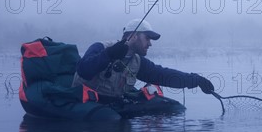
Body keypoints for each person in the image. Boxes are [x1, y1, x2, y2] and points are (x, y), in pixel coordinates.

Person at [72, 19, 214, 100]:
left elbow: (163, 75)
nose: (150, 43)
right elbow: (84, 69)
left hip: (112, 105)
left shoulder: (137, 61)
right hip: (86, 104)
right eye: (147, 38)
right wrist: (109, 54)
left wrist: (196, 80)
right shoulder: (100, 47)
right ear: (133, 36)